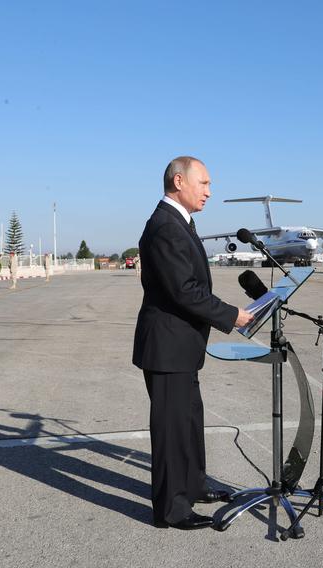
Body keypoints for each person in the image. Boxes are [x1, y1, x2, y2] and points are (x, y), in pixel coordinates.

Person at [132, 156, 254, 530]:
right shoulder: (165, 227)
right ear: (179, 181)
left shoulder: (180, 222)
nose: (209, 192)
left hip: (181, 346)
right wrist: (231, 314)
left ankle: (194, 485)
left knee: (189, 421)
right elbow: (184, 291)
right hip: (167, 347)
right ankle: (172, 509)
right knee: (171, 430)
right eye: (204, 184)